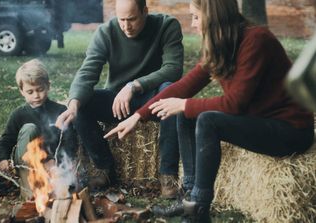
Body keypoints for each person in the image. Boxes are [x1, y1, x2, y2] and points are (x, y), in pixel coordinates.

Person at [104, 0, 315, 221]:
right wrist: (139, 116)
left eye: (195, 16)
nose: (192, 24)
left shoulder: (256, 40)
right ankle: (188, 197)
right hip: (260, 120)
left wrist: (185, 104)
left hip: (290, 131)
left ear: (213, 16)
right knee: (187, 114)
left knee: (206, 120)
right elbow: (185, 86)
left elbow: (235, 104)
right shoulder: (223, 43)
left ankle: (199, 209)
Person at [56, 0, 184, 198]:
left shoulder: (167, 25)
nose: (126, 26)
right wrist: (73, 105)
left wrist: (134, 85)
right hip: (118, 102)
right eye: (121, 19)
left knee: (170, 92)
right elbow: (87, 72)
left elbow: (173, 69)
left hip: (153, 96)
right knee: (83, 103)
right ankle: (103, 168)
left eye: (132, 19)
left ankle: (168, 174)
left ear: (145, 11)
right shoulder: (105, 32)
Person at [0, 59, 77, 199]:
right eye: (30, 91)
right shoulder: (19, 114)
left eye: (40, 89)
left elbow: (69, 140)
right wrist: (2, 158)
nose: (36, 95)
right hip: (27, 163)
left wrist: (56, 161)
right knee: (29, 128)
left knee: (64, 192)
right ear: (22, 91)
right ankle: (29, 189)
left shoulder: (59, 111)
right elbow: (6, 140)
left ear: (48, 86)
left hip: (53, 163)